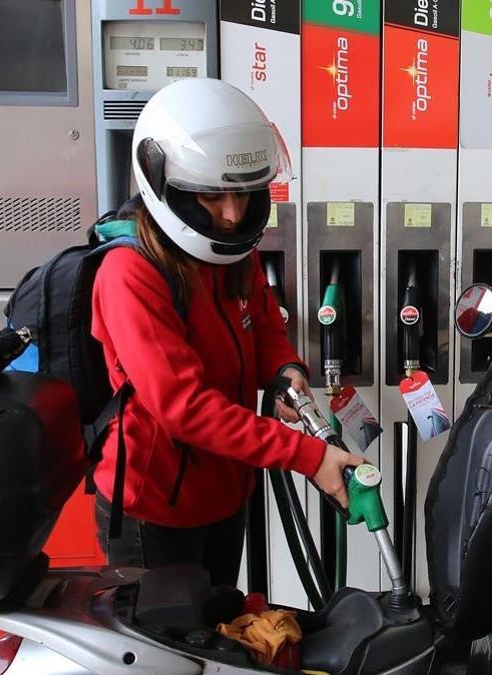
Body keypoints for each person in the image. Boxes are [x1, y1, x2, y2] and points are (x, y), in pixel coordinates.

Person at [90, 79, 362, 585]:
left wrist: (285, 370)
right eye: (212, 195)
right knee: (167, 656)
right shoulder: (131, 274)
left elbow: (262, 324)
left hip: (225, 491)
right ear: (164, 184)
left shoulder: (233, 251)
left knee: (217, 637)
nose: (233, 214)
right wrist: (307, 455)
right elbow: (183, 407)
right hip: (155, 511)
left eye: (242, 193)